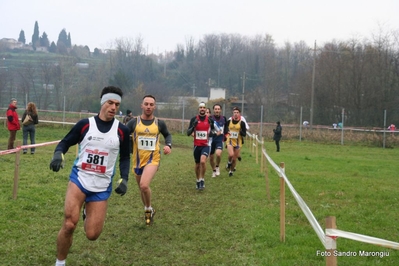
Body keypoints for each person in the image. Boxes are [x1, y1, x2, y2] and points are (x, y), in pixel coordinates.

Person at [49, 86, 131, 266]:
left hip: (101, 186)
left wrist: (124, 178)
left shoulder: (122, 131)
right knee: (70, 224)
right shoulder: (85, 125)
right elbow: (65, 142)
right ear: (103, 102)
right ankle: (60, 262)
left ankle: (88, 211)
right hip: (80, 179)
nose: (113, 107)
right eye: (110, 103)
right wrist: (58, 154)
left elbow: (125, 157)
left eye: (117, 104)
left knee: (92, 235)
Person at [126, 95, 172, 226]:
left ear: (154, 107)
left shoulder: (159, 123)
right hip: (137, 160)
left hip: (153, 159)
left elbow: (167, 135)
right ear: (142, 105)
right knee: (142, 188)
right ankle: (149, 208)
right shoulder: (134, 122)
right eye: (146, 104)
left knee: (144, 185)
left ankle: (147, 209)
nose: (148, 107)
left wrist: (168, 145)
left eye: (151, 104)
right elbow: (122, 133)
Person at [187, 102, 217, 190]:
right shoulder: (194, 119)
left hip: (206, 145)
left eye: (204, 107)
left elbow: (213, 132)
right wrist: (193, 126)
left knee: (203, 162)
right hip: (197, 145)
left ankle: (202, 179)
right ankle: (197, 180)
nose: (202, 109)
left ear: (206, 109)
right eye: (201, 107)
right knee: (197, 164)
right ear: (198, 109)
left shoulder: (210, 120)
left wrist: (212, 133)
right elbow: (188, 133)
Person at [224, 107, 246, 177]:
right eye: (234, 113)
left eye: (237, 113)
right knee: (231, 154)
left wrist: (240, 131)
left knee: (234, 158)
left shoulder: (242, 123)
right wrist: (227, 134)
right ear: (232, 113)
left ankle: (231, 171)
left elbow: (244, 134)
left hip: (238, 142)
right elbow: (225, 130)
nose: (236, 114)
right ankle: (228, 162)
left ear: (239, 114)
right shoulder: (229, 121)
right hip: (230, 140)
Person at [209, 104, 227, 178]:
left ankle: (217, 166)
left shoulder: (224, 118)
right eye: (215, 109)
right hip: (211, 140)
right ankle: (213, 170)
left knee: (218, 154)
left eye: (218, 109)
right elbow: (208, 130)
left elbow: (226, 128)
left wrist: (226, 135)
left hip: (220, 139)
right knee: (211, 157)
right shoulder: (210, 118)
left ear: (220, 110)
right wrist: (215, 133)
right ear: (213, 110)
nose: (217, 110)